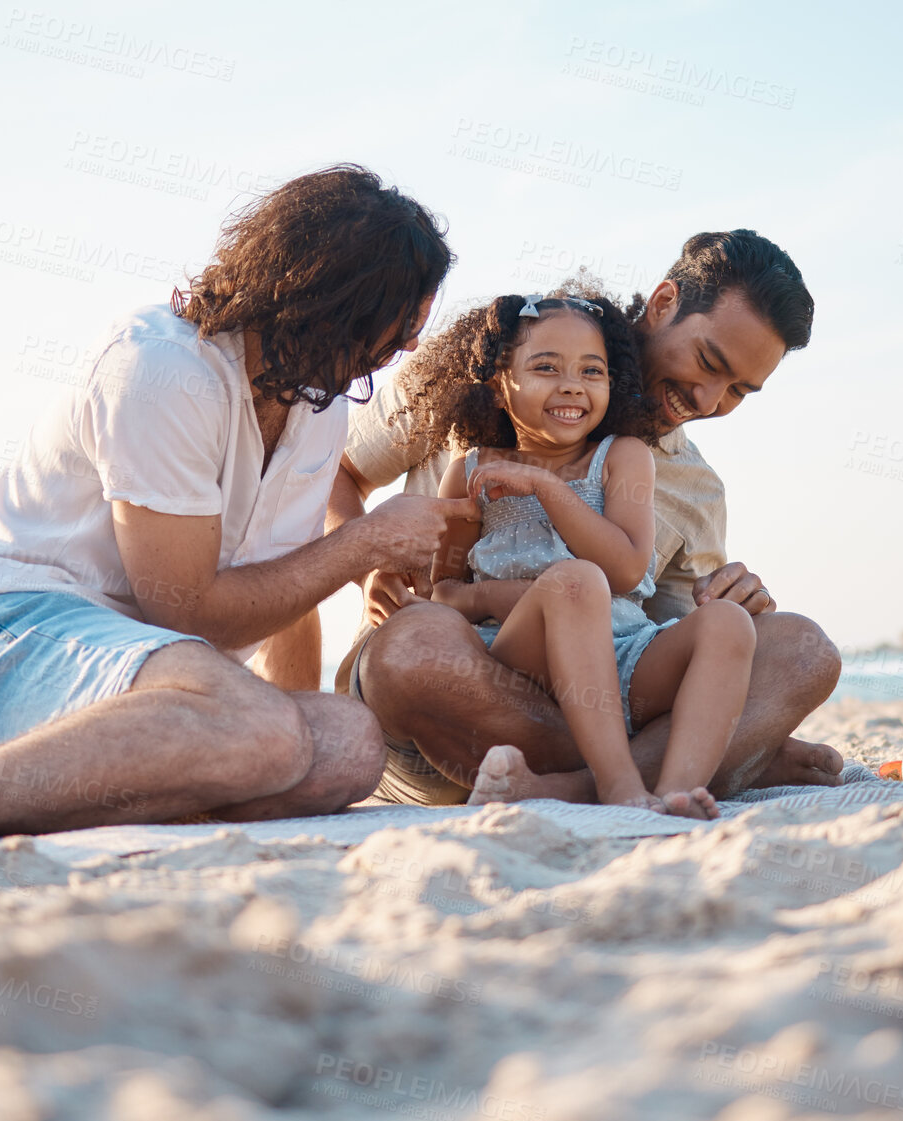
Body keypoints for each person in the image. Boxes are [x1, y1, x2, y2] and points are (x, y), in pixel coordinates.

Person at [0, 165, 472, 847]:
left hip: (161, 688)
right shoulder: (161, 368)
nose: (407, 346)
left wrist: (293, 728)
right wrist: (364, 543)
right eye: (398, 321)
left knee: (348, 745)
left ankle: (107, 789)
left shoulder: (316, 404)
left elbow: (285, 582)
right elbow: (186, 606)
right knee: (263, 733)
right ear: (333, 302)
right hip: (1, 638)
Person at [329, 231, 846, 806]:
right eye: (708, 362)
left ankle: (590, 784)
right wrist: (366, 563)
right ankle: (722, 762)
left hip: (601, 686)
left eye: (738, 391)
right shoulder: (505, 356)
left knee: (803, 649)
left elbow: (660, 643)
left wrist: (734, 600)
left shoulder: (694, 487)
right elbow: (339, 474)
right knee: (412, 648)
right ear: (664, 302)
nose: (707, 400)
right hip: (452, 700)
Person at [415, 291, 755, 819]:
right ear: (499, 384)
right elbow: (443, 592)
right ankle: (619, 784)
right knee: (574, 582)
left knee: (729, 623)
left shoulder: (623, 456)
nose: (572, 384)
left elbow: (624, 569)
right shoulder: (472, 469)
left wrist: (546, 488)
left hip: (624, 655)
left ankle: (677, 793)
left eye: (591, 371)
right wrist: (494, 594)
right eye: (546, 367)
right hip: (528, 661)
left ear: (612, 385)